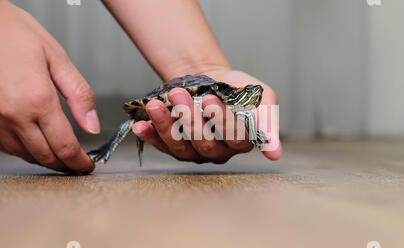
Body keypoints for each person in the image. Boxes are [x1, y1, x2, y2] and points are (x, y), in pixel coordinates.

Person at [0, 0, 281, 173]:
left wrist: (205, 67)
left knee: (151, 116)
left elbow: (214, 91)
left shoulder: (224, 96)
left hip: (192, 91)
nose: (249, 98)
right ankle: (110, 146)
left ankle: (106, 149)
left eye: (249, 97)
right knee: (144, 114)